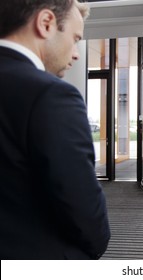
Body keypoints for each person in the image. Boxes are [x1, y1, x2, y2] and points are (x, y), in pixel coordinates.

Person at [0, 0, 110, 259]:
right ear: (46, 23)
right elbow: (84, 211)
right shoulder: (51, 95)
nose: (76, 53)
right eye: (75, 38)